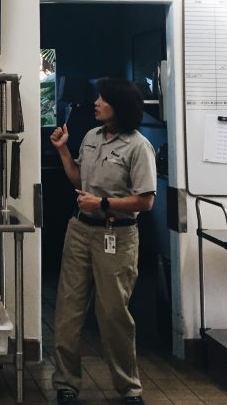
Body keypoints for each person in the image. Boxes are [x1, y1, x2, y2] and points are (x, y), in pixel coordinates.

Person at [50, 77, 156, 405]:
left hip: (117, 235)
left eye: (102, 99)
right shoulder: (91, 137)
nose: (95, 103)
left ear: (119, 107)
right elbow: (81, 180)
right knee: (68, 310)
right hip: (80, 231)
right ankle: (66, 384)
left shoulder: (138, 146)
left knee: (113, 314)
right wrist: (64, 149)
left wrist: (104, 204)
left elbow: (146, 201)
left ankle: (129, 388)